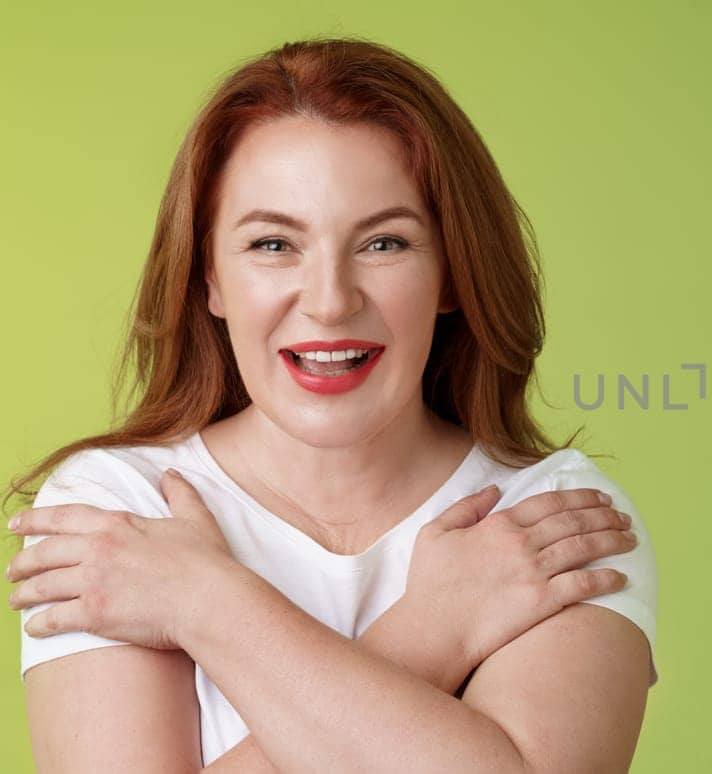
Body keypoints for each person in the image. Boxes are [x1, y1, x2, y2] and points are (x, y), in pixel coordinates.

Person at [1, 36, 659, 771]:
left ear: (452, 274)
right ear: (209, 280)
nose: (329, 303)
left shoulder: (551, 519)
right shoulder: (119, 511)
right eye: (274, 245)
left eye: (383, 244)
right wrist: (433, 632)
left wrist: (203, 602)